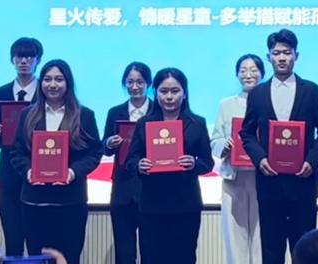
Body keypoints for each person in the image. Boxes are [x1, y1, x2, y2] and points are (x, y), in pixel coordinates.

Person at [240, 29, 318, 264]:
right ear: (269, 56)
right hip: (269, 184)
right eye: (276, 53)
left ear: (296, 56)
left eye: (287, 52)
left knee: (305, 251)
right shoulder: (258, 93)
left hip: (302, 183)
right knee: (271, 250)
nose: (281, 58)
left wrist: (312, 161)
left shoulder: (312, 91)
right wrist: (260, 159)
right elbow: (247, 133)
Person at [10, 59, 102, 264]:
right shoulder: (27, 114)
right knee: (38, 259)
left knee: (69, 258)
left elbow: (94, 153)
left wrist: (72, 172)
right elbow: (16, 152)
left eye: (59, 79)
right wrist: (29, 171)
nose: (52, 85)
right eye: (47, 79)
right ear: (41, 82)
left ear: (68, 82)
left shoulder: (84, 115)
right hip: (35, 203)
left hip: (70, 203)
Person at [126, 67, 214, 264]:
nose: (169, 97)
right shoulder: (144, 123)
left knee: (184, 257)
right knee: (152, 258)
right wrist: (139, 165)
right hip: (152, 204)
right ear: (155, 93)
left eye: (175, 91)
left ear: (184, 93)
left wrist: (194, 163)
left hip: (186, 204)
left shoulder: (197, 123)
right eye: (163, 91)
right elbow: (130, 160)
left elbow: (207, 162)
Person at [0, 37, 43, 258]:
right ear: (12, 59)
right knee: (12, 239)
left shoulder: (46, 92)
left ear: (38, 60)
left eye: (29, 57)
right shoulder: (0, 93)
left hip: (37, 171)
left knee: (37, 240)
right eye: (19, 56)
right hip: (8, 173)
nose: (24, 61)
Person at [210, 54, 265, 264]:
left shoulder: (269, 102)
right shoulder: (226, 104)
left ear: (262, 74)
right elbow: (215, 139)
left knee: (261, 236)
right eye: (243, 70)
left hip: (262, 177)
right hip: (233, 178)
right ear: (237, 75)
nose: (248, 74)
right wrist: (224, 145)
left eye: (253, 70)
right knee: (234, 237)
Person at [101, 62, 153, 264]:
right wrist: (109, 143)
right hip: (122, 188)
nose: (135, 87)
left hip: (150, 188)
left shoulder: (158, 111)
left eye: (140, 82)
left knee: (151, 249)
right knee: (124, 251)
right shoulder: (115, 112)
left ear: (148, 84)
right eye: (130, 82)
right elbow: (104, 148)